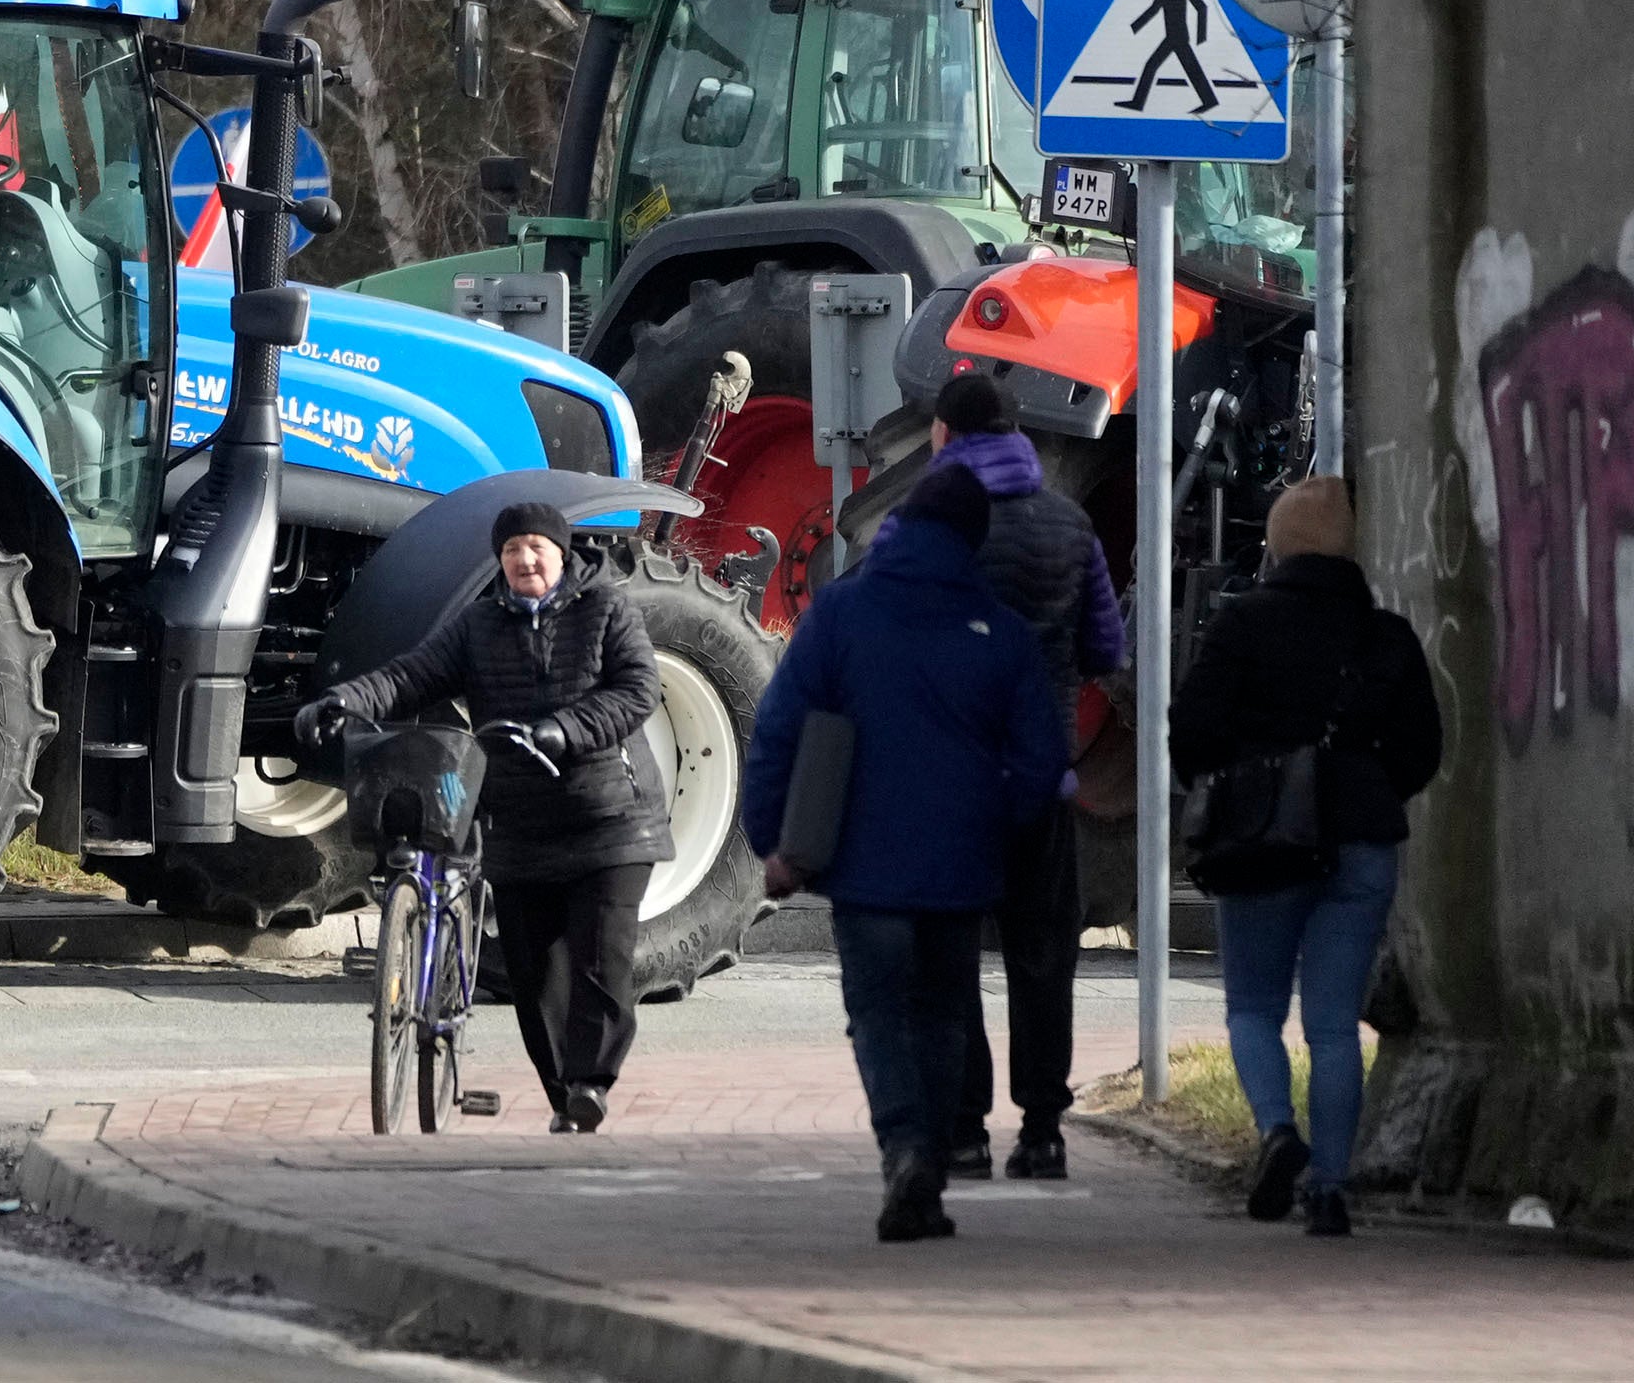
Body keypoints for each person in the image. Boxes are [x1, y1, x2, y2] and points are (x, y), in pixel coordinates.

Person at [744, 457, 1064, 1242]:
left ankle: (907, 1147)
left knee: (879, 1012)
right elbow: (1042, 759)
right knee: (944, 1012)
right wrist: (1005, 825)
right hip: (961, 868)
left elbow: (779, 728)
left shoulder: (840, 616)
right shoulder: (1003, 632)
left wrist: (774, 839)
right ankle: (937, 1145)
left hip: (864, 866)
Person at [301, 501, 670, 1134]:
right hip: (521, 820)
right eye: (511, 551)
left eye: (537, 548)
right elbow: (410, 676)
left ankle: (591, 1082)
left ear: (561, 553)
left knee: (600, 960)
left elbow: (639, 689)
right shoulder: (478, 624)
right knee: (531, 972)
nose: (525, 561)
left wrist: (565, 730)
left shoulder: (606, 607)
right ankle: (565, 1097)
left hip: (610, 817)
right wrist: (343, 701)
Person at [1172, 475, 1441, 1239]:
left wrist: (1230, 786)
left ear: (1280, 544)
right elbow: (1423, 748)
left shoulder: (1243, 625)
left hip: (1263, 844)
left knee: (1253, 1007)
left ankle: (1277, 1132)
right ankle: (1329, 1188)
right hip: (1361, 845)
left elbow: (1191, 729)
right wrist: (1366, 790)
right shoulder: (1386, 635)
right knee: (1332, 1026)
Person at [929, 371, 1127, 1185]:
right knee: (1042, 959)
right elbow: (1106, 648)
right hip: (1041, 779)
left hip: (951, 782)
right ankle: (1042, 1129)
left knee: (948, 962)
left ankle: (965, 1130)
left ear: (946, 435)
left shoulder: (933, 525)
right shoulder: (1069, 523)